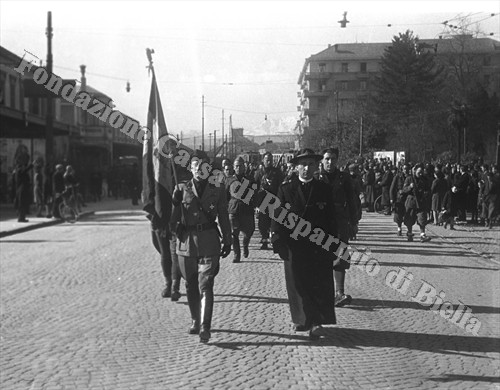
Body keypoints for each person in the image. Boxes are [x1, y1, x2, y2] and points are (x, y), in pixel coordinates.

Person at [271, 148, 337, 340]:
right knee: (297, 283)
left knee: (319, 283)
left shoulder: (323, 189)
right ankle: (302, 319)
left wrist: (334, 243)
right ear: (296, 167)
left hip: (318, 245)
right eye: (303, 164)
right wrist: (277, 239)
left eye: (310, 164)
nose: (306, 168)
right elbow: (278, 217)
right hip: (294, 245)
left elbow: (331, 218)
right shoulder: (286, 189)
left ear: (316, 166)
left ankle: (317, 322)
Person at [171, 150, 232, 343]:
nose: (199, 169)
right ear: (190, 168)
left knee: (206, 284)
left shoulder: (217, 189)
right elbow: (172, 220)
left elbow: (223, 215)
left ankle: (206, 326)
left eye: (203, 166)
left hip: (208, 242)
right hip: (187, 244)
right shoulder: (181, 188)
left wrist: (228, 240)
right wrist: (173, 205)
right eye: (195, 165)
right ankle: (195, 320)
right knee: (190, 284)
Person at [318, 147, 358, 308]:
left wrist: (354, 222)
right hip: (320, 222)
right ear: (322, 160)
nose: (330, 162)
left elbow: (352, 201)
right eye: (327, 158)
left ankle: (339, 293)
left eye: (333, 159)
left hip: (340, 221)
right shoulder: (316, 177)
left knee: (341, 257)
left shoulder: (344, 178)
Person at [225, 156, 256, 263]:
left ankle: (245, 244)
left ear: (244, 166)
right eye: (236, 166)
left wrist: (256, 205)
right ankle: (236, 255)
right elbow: (225, 196)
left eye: (241, 166)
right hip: (233, 210)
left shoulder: (250, 180)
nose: (238, 168)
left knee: (249, 232)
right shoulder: (229, 180)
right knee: (234, 233)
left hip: (247, 210)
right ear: (233, 167)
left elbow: (255, 194)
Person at [254, 152, 283, 249]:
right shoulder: (259, 173)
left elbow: (281, 186)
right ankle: (264, 241)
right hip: (262, 201)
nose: (269, 161)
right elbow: (255, 187)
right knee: (263, 223)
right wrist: (256, 204)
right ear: (263, 160)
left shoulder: (277, 172)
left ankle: (274, 242)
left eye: (270, 159)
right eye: (267, 159)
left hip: (274, 201)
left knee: (274, 223)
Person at [402, 164, 432, 242]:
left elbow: (428, 189)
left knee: (422, 218)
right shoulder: (409, 179)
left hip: (421, 202)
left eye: (422, 172)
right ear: (414, 171)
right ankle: (409, 233)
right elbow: (404, 190)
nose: (421, 174)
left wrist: (426, 193)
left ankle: (422, 235)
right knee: (409, 219)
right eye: (419, 172)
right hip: (411, 202)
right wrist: (410, 187)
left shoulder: (424, 179)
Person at [390, 163, 410, 236]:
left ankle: (409, 229)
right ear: (402, 169)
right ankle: (399, 228)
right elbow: (392, 188)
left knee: (408, 214)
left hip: (408, 198)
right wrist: (392, 198)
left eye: (407, 169)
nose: (406, 171)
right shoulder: (397, 177)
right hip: (399, 198)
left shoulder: (410, 177)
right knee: (398, 214)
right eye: (404, 169)